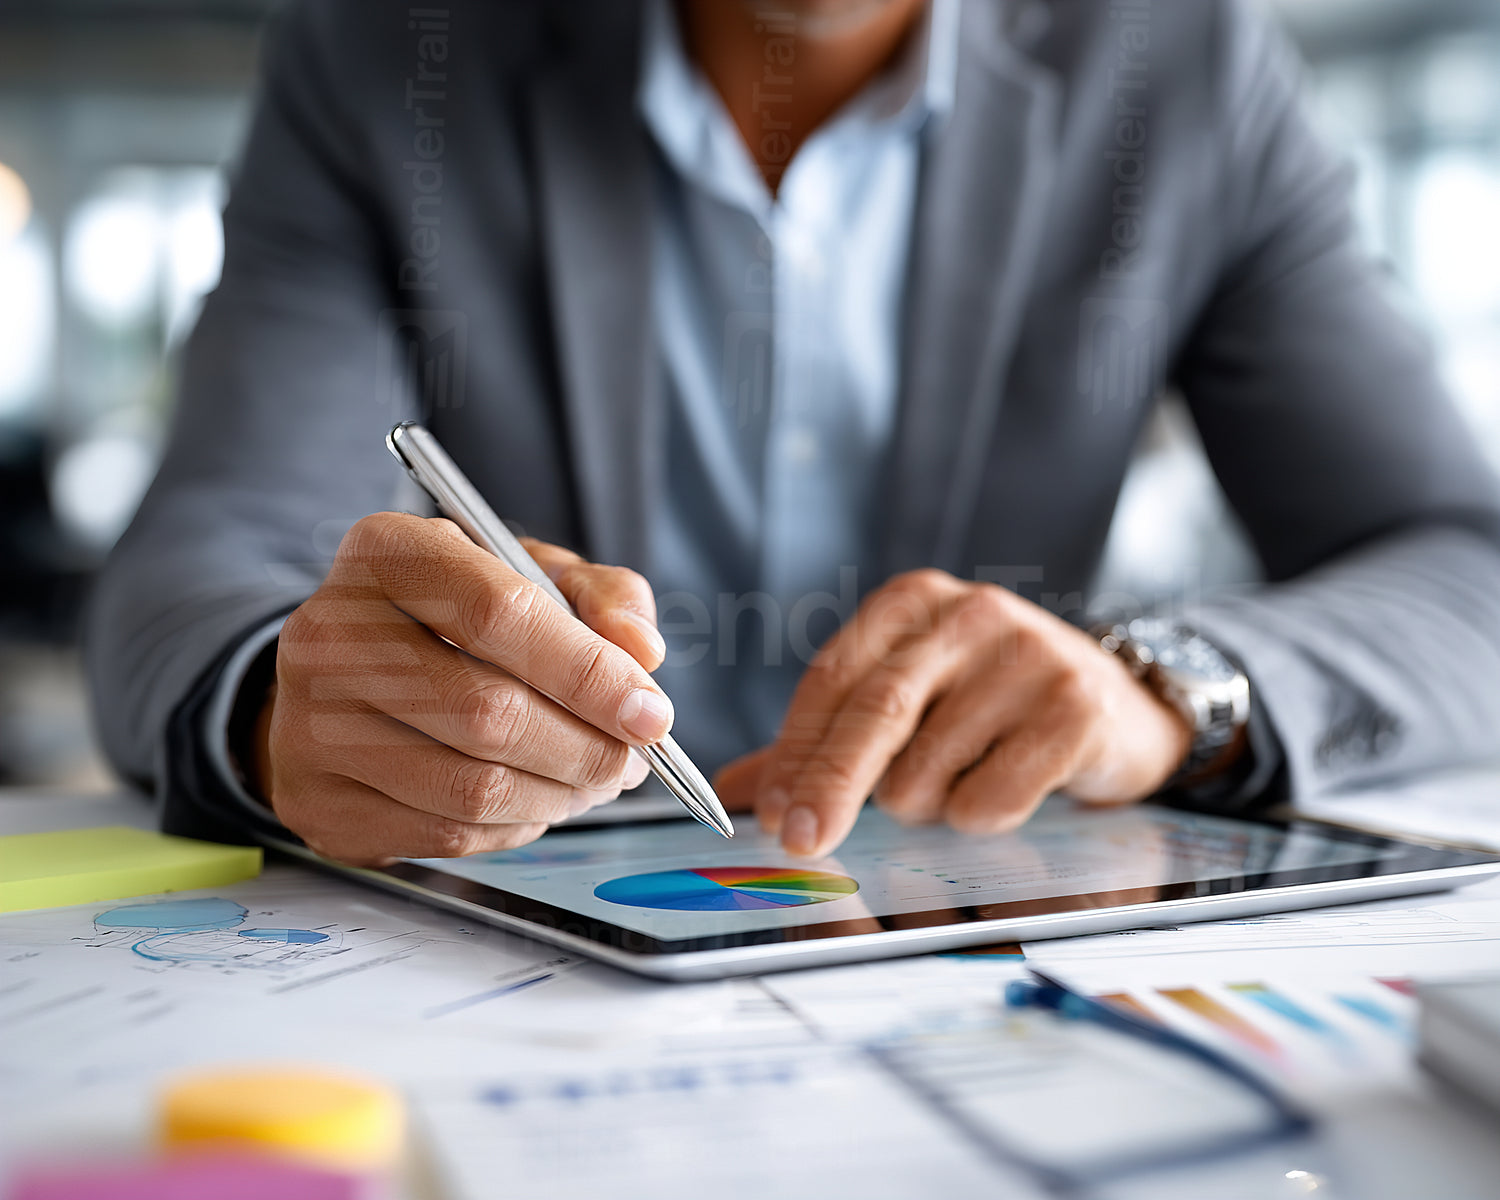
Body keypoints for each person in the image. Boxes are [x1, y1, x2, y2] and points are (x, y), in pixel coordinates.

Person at [87, 0, 1500, 867]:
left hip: (985, 944)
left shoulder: (1183, 64)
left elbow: (1464, 572)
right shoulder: (388, 49)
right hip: (510, 952)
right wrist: (293, 706)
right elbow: (200, 560)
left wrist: (1166, 687)